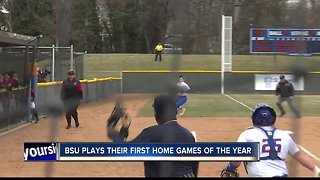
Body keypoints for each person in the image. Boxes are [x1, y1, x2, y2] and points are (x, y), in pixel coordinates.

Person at [108, 94, 199, 177]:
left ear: (157, 114)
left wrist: (115, 134)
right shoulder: (188, 135)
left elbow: (123, 150)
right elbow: (195, 164)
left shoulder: (152, 133)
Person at [221, 103, 320, 177]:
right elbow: (299, 156)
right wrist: (315, 169)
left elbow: (237, 159)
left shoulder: (247, 134)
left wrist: (230, 168)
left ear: (254, 118)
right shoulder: (284, 135)